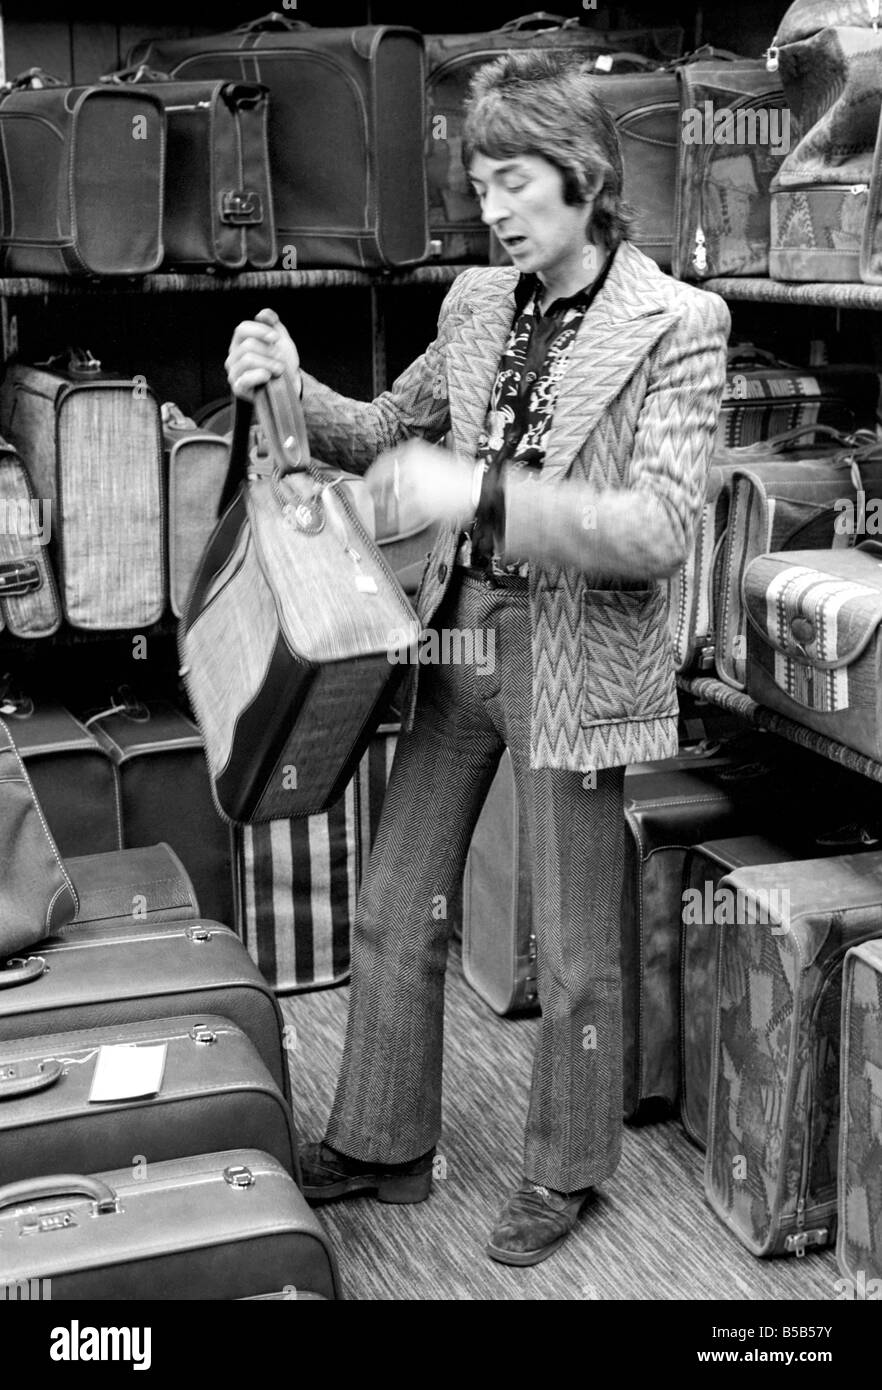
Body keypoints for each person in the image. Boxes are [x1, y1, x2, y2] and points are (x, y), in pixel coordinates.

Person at [225, 49, 730, 1268]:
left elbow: (660, 530)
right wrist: (290, 384)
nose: (491, 207)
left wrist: (484, 490)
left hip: (577, 658)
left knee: (575, 955)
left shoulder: (678, 323)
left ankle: (568, 1166)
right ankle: (386, 1142)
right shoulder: (472, 306)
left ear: (584, 174)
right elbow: (386, 432)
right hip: (457, 646)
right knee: (400, 908)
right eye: (480, 182)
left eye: (513, 181)